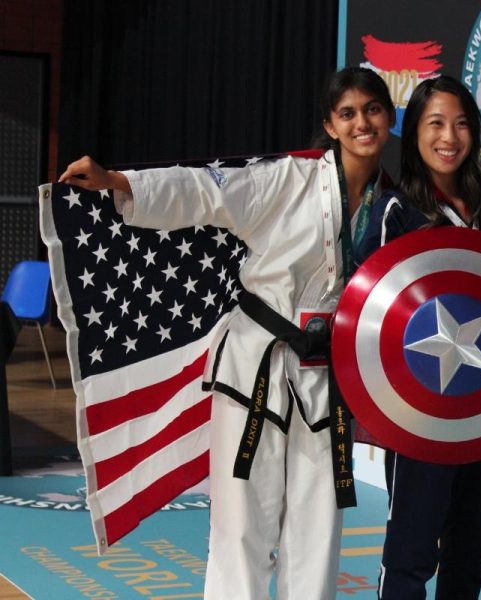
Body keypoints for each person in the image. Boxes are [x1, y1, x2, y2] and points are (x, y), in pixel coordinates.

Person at [58, 67, 396, 599]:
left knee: (319, 529)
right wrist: (122, 182)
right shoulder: (289, 178)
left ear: (390, 117)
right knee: (242, 525)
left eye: (373, 110)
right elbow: (208, 190)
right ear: (329, 125)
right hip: (254, 367)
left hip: (328, 381)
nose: (362, 123)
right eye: (348, 113)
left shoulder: (392, 208)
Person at [354, 75, 481, 600]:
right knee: (411, 551)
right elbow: (367, 317)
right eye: (435, 123)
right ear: (414, 133)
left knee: (470, 550)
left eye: (462, 123)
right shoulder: (396, 212)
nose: (450, 136)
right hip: (420, 413)